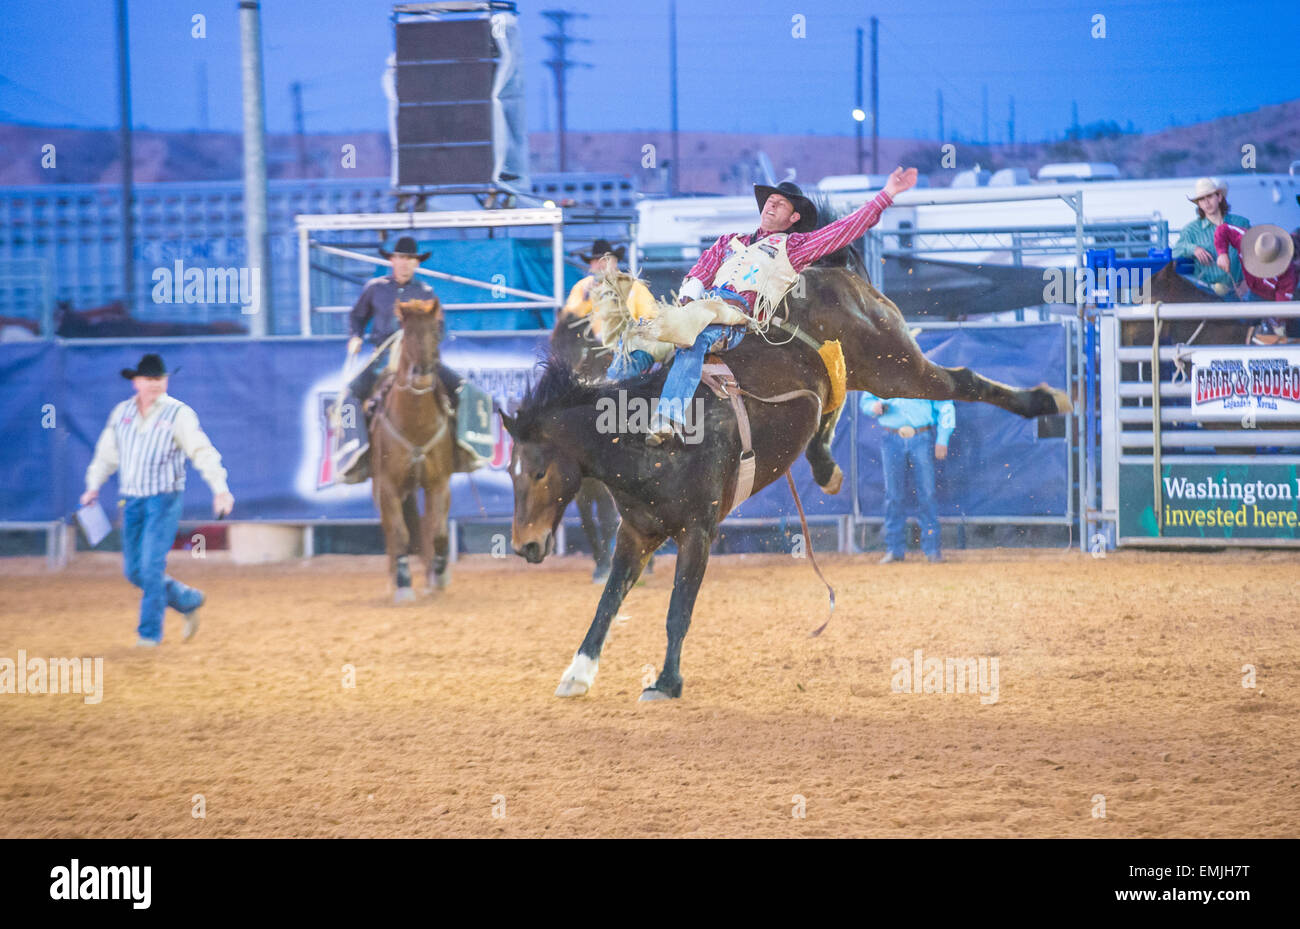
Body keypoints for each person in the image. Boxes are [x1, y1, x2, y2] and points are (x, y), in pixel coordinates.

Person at [645, 167, 918, 445]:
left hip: (733, 318)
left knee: (696, 341)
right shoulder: (729, 241)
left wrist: (887, 194)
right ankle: (614, 405)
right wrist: (687, 302)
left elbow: (843, 230)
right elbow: (700, 272)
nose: (771, 206)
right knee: (637, 340)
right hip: (701, 309)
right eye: (769, 201)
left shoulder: (794, 246)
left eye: (780, 203)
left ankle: (669, 418)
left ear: (794, 217)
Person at [80, 353, 233, 646]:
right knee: (134, 571)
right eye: (150, 379)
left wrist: (220, 488)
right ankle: (187, 599)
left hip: (163, 499)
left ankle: (149, 634)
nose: (155, 384)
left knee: (150, 568)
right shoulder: (121, 413)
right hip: (132, 500)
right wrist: (93, 485)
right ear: (136, 382)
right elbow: (106, 455)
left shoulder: (179, 414)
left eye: (160, 379)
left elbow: (202, 451)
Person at [333, 236, 468, 482]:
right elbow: (357, 317)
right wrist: (355, 336)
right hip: (384, 354)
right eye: (400, 258)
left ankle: (462, 449)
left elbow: (440, 327)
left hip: (418, 356)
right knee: (350, 395)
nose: (404, 264)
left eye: (409, 259)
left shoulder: (426, 293)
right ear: (392, 260)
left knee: (462, 389)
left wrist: (428, 343)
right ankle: (354, 454)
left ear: (416, 263)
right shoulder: (375, 288)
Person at [859, 389, 955, 564]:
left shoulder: (925, 372)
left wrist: (943, 438)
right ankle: (895, 550)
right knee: (894, 495)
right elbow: (865, 402)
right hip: (893, 437)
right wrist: (874, 406)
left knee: (926, 494)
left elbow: (946, 405)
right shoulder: (883, 371)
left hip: (920, 436)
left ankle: (931, 550)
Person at [558, 239, 658, 380]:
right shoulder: (583, 287)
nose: (600, 264)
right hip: (592, 349)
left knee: (618, 376)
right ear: (591, 265)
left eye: (605, 260)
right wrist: (587, 298)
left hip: (627, 348)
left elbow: (651, 318)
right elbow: (569, 320)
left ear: (614, 262)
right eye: (596, 260)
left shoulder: (632, 287)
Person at [1214, 223, 1298, 344]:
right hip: (1253, 292)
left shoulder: (1288, 275)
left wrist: (1276, 322)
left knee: (1277, 333)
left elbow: (1281, 308)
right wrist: (1222, 253)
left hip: (1272, 301)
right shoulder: (1243, 239)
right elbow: (1223, 229)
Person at [1172, 177, 1250, 296]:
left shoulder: (1241, 223)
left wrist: (1246, 283)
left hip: (1241, 292)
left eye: (1209, 197)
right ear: (1199, 204)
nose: (1206, 202)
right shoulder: (1191, 230)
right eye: (1202, 199)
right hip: (1207, 293)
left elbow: (1255, 255)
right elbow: (1175, 252)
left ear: (1219, 197)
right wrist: (1193, 249)